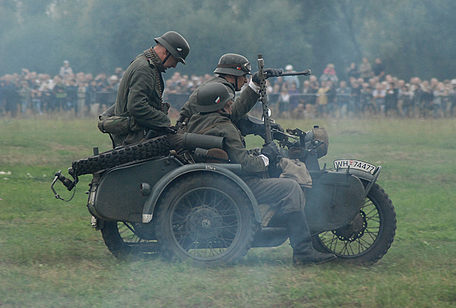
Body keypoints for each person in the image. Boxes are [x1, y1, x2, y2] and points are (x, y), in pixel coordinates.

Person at [187, 82, 336, 265]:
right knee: (291, 187)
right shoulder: (224, 126)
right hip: (239, 183)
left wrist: (257, 152)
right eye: (228, 103)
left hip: (218, 180)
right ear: (219, 106)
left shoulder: (196, 121)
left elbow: (234, 155)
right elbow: (247, 165)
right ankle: (303, 251)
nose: (231, 106)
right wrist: (266, 156)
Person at [113, 31, 190, 146]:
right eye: (176, 60)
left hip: (138, 135)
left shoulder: (147, 65)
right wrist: (164, 121)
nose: (174, 66)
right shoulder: (145, 68)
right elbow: (136, 106)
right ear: (166, 52)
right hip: (133, 138)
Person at [177, 53, 281, 126]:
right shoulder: (222, 89)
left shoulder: (216, 84)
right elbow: (232, 115)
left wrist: (260, 125)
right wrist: (254, 85)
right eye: (243, 76)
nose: (245, 81)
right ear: (232, 75)